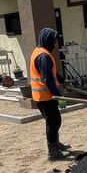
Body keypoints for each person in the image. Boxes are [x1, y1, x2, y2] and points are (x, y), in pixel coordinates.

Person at [30, 28, 70, 160]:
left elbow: (50, 74)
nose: (54, 45)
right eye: (53, 42)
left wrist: (62, 80)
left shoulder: (39, 52)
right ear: (47, 41)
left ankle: (55, 144)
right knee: (53, 122)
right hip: (46, 97)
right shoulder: (44, 56)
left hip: (42, 96)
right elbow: (47, 79)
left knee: (54, 121)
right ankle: (52, 151)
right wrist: (59, 96)